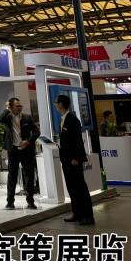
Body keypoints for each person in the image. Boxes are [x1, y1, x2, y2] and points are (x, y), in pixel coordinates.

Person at [54, 94, 94, 226]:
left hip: (73, 160)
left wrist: (76, 158)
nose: (55, 105)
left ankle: (87, 216)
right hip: (66, 160)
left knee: (80, 188)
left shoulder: (72, 119)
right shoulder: (63, 119)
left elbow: (77, 141)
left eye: (56, 102)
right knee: (72, 188)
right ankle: (77, 213)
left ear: (61, 104)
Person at [0, 97, 40, 210]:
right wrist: (7, 109)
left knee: (29, 175)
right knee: (12, 176)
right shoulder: (7, 118)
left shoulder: (27, 118)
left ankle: (30, 202)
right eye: (17, 106)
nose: (20, 108)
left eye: (20, 105)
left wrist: (28, 141)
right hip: (13, 151)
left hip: (26, 150)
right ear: (11, 107)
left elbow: (37, 132)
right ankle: (10, 202)